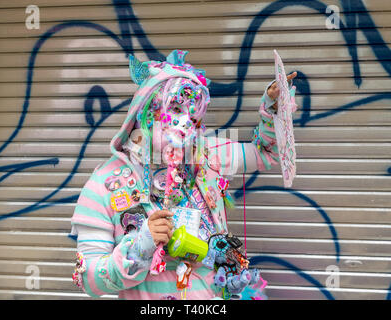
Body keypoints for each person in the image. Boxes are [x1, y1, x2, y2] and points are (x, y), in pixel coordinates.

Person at [70, 49, 297, 300]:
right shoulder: (104, 185)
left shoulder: (208, 156)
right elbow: (88, 280)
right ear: (145, 111)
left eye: (194, 115)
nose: (186, 123)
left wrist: (273, 108)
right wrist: (141, 246)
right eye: (176, 109)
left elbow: (266, 152)